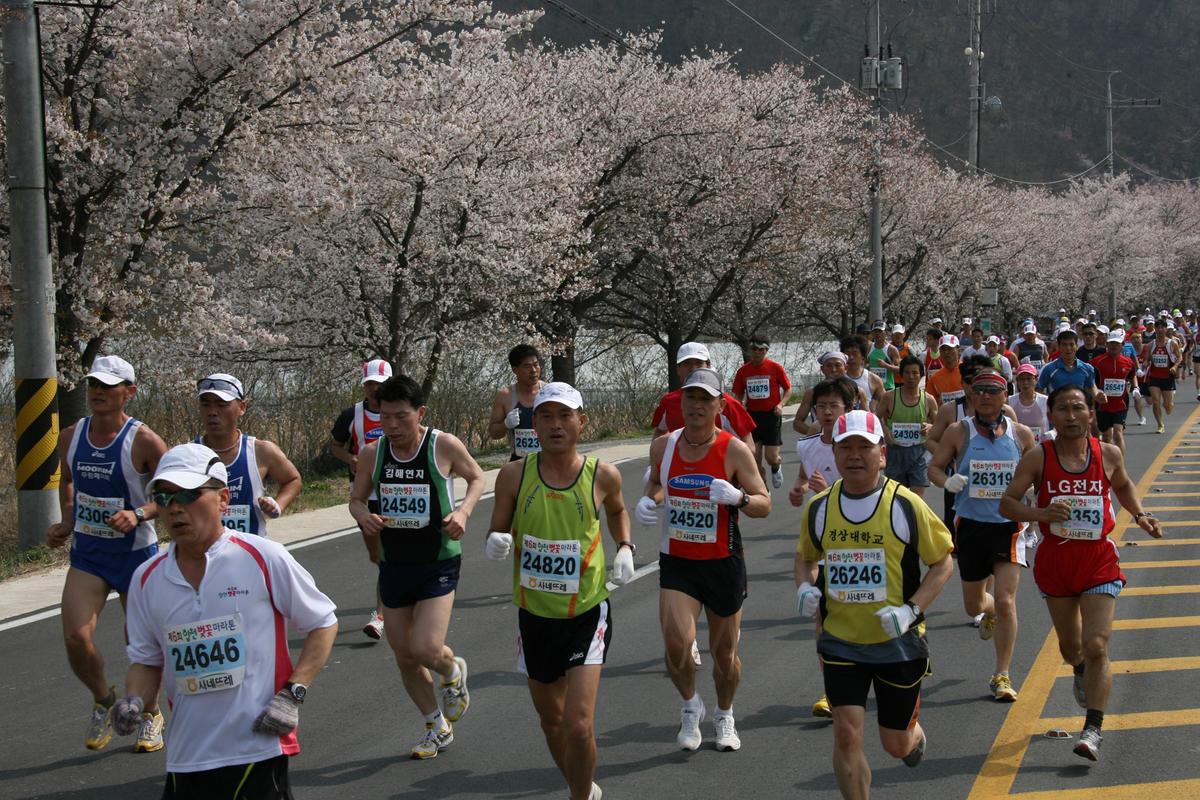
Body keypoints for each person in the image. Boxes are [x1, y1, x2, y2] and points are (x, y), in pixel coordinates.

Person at [115, 443, 338, 798]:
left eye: (188, 494)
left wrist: (293, 693)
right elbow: (146, 661)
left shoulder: (263, 557)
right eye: (164, 496)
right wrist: (133, 701)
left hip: (257, 747)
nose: (175, 508)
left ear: (222, 498)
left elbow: (323, 623)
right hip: (186, 756)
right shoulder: (146, 578)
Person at [795, 410, 955, 798]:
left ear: (881, 453)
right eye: (845, 446)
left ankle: (912, 737)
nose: (854, 455)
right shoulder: (820, 506)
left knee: (895, 744)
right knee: (847, 734)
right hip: (840, 640)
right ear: (833, 454)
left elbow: (942, 562)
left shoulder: (905, 505)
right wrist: (804, 587)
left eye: (863, 447)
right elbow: (806, 556)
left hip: (897, 643)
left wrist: (909, 611)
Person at [485, 382, 633, 800]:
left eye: (564, 416)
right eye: (546, 416)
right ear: (535, 422)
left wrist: (624, 546)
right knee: (552, 722)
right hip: (534, 614)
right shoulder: (515, 474)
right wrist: (494, 541)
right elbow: (497, 527)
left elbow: (619, 510)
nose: (554, 425)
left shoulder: (602, 474)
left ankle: (579, 796)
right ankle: (580, 784)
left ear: (580, 422)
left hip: (585, 612)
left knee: (579, 724)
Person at [1000, 386, 1163, 761]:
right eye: (1062, 409)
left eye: (1078, 408)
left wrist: (1140, 515)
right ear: (1051, 416)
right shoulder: (1039, 457)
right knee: (1072, 648)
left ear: (1091, 414)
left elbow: (1122, 485)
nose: (1071, 416)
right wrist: (1040, 514)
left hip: (1097, 559)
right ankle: (1078, 670)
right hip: (1056, 562)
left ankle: (1093, 728)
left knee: (1097, 644)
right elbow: (1008, 503)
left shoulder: (1108, 453)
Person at [349, 375, 486, 759]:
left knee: (425, 647)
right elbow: (356, 500)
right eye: (385, 417)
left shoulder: (442, 445)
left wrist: (463, 510)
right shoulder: (373, 454)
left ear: (420, 413)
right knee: (404, 656)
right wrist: (364, 517)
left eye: (401, 417)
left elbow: (476, 477)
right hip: (395, 565)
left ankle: (451, 670)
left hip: (438, 560)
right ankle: (435, 725)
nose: (392, 426)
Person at [637, 368, 771, 752]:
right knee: (677, 644)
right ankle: (690, 706)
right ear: (681, 403)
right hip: (678, 561)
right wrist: (648, 501)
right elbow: (657, 484)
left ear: (720, 405)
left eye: (705, 399)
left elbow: (763, 503)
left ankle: (725, 714)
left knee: (725, 655)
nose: (696, 405)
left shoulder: (733, 449)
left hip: (722, 561)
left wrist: (739, 498)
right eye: (690, 398)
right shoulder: (664, 445)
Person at [46, 355, 168, 753]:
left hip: (136, 556)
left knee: (141, 645)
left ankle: (150, 712)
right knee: (75, 637)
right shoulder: (70, 436)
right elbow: (68, 481)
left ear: (129, 392)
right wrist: (66, 520)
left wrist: (139, 513)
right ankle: (103, 700)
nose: (98, 392)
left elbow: (171, 494)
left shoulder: (145, 441)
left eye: (109, 386)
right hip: (90, 553)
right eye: (94, 384)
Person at [929, 371, 1037, 702]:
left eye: (993, 390)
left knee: (1006, 600)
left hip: (1008, 527)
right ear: (971, 396)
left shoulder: (1021, 434)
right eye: (979, 391)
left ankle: (1001, 674)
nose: (986, 396)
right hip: (971, 526)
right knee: (973, 604)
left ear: (1006, 395)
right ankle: (986, 612)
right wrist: (946, 482)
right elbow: (933, 467)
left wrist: (1031, 491)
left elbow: (1036, 473)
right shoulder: (958, 431)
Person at [788, 377, 855, 719]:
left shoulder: (857, 446)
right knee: (823, 616)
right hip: (822, 533)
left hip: (858, 536)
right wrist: (799, 490)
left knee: (858, 614)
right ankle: (831, 691)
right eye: (822, 406)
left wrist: (829, 489)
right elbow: (803, 477)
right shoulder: (808, 445)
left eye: (834, 406)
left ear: (848, 409)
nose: (827, 413)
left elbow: (865, 489)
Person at [330, 358, 393, 640]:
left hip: (395, 493)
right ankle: (396, 600)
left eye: (379, 385)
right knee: (378, 555)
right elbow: (335, 447)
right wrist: (351, 458)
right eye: (369, 384)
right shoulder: (350, 415)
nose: (373, 390)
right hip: (363, 497)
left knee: (388, 557)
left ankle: (379, 616)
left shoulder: (401, 413)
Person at [194, 374, 302, 536]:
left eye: (221, 405)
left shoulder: (261, 451)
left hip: (249, 554)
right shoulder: (188, 454)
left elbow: (293, 480)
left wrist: (277, 505)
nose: (212, 412)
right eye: (205, 404)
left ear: (242, 407)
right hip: (203, 554)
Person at [652, 342, 755, 449]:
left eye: (699, 363)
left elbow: (750, 448)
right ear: (678, 369)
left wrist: (718, 457)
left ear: (708, 366)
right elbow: (659, 432)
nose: (693, 369)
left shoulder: (727, 404)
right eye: (686, 363)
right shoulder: (668, 402)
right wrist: (657, 462)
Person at [732, 337, 792, 489]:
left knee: (771, 457)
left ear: (766, 351)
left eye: (761, 349)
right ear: (750, 350)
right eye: (754, 349)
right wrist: (740, 407)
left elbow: (788, 389)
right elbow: (738, 393)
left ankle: (776, 466)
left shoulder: (775, 368)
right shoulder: (743, 371)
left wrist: (781, 404)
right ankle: (763, 488)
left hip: (771, 416)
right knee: (754, 457)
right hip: (752, 417)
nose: (757, 352)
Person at [878, 356, 938, 498]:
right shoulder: (889, 396)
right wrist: (885, 429)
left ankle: (915, 520)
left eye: (915, 373)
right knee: (896, 496)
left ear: (921, 375)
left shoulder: (929, 399)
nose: (911, 377)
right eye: (907, 373)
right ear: (901, 374)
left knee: (916, 498)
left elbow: (939, 425)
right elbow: (875, 419)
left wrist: (930, 426)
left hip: (920, 453)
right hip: (895, 452)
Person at [487, 344, 546, 461]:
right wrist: (506, 424)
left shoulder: (549, 391)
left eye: (536, 365)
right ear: (515, 370)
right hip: (519, 462)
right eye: (527, 366)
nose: (533, 370)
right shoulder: (505, 396)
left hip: (547, 461)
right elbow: (493, 433)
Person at [793, 353, 871, 436]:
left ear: (845, 368)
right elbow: (797, 423)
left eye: (838, 365)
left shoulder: (857, 391)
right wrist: (816, 434)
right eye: (829, 366)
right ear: (822, 369)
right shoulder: (812, 392)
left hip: (849, 442)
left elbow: (868, 420)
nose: (833, 369)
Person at [1090, 329, 1137, 454]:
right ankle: (1109, 460)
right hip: (1103, 406)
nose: (1114, 346)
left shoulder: (1128, 362)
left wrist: (1135, 388)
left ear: (1122, 345)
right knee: (1106, 436)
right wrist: (1096, 393)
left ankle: (1120, 463)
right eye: (1111, 343)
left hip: (1121, 404)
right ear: (1107, 344)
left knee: (1118, 432)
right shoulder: (1097, 362)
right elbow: (1090, 381)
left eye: (1117, 343)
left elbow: (1132, 376)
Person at [1140, 317, 1182, 434]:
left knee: (1168, 407)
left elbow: (1179, 357)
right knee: (1156, 401)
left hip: (1167, 377)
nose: (1159, 329)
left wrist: (1174, 367)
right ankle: (1160, 424)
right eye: (1157, 327)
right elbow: (1147, 359)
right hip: (1154, 377)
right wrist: (1146, 363)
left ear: (1165, 329)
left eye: (1162, 327)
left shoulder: (1172, 343)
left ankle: (1169, 404)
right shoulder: (1151, 344)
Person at [1036, 329, 1099, 402]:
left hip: (1078, 411)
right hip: (1057, 411)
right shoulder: (1049, 368)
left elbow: (1091, 387)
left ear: (1077, 346)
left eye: (1071, 344)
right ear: (1059, 347)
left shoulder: (1087, 368)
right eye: (1064, 345)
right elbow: (1038, 391)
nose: (1068, 348)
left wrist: (1097, 396)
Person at [1008, 364, 1052, 442]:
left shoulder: (1045, 400)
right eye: (1022, 379)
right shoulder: (1010, 400)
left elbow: (1055, 422)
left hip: (1041, 447)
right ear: (1017, 381)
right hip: (1019, 446)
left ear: (1036, 379)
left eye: (1029, 379)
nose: (1025, 382)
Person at [842, 335, 886, 413]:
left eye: (855, 353)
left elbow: (886, 405)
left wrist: (875, 409)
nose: (851, 357)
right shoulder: (838, 379)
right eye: (847, 354)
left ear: (863, 356)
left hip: (866, 422)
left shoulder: (874, 379)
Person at [925, 335, 965, 406]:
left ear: (958, 350)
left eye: (950, 348)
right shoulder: (935, 378)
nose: (946, 352)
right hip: (946, 416)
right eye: (943, 349)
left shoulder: (969, 372)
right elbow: (929, 405)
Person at [866, 322, 900, 391]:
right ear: (872, 333)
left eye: (880, 331)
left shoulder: (891, 349)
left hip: (887, 387)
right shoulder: (868, 347)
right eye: (875, 331)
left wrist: (886, 365)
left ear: (886, 333)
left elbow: (899, 369)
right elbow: (863, 364)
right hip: (872, 387)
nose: (877, 334)